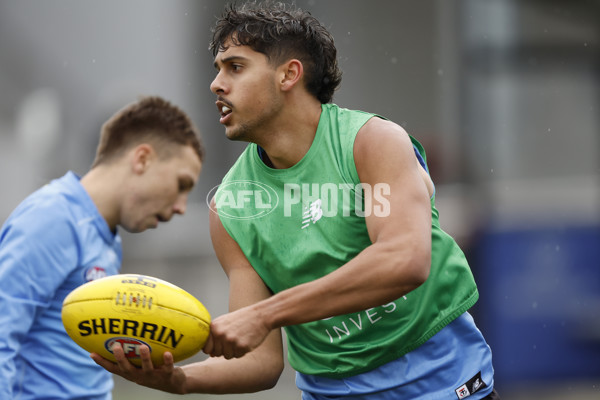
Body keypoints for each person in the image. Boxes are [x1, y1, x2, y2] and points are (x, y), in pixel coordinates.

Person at [93, 2, 499, 399]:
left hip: (443, 384)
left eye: (235, 67)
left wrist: (265, 313)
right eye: (218, 69)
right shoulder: (233, 206)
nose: (217, 84)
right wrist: (178, 381)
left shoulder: (370, 144)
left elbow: (404, 261)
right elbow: (261, 361)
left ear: (289, 74)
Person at [0, 95, 204, 399]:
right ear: (142, 159)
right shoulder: (53, 219)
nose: (181, 207)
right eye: (181, 184)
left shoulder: (105, 235)